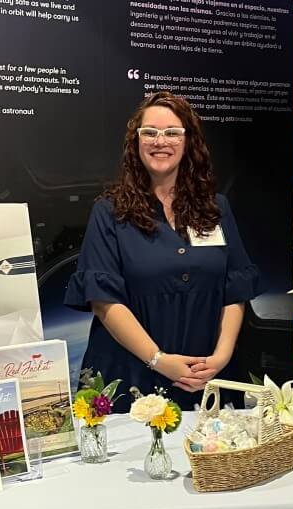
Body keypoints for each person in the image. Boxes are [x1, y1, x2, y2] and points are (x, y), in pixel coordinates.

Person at [65, 91, 263, 410]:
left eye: (172, 132)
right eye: (150, 132)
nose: (161, 141)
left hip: (207, 375)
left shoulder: (216, 209)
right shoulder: (110, 212)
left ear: (188, 141)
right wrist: (158, 360)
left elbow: (235, 290)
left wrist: (221, 357)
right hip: (132, 374)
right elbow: (104, 301)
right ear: (136, 142)